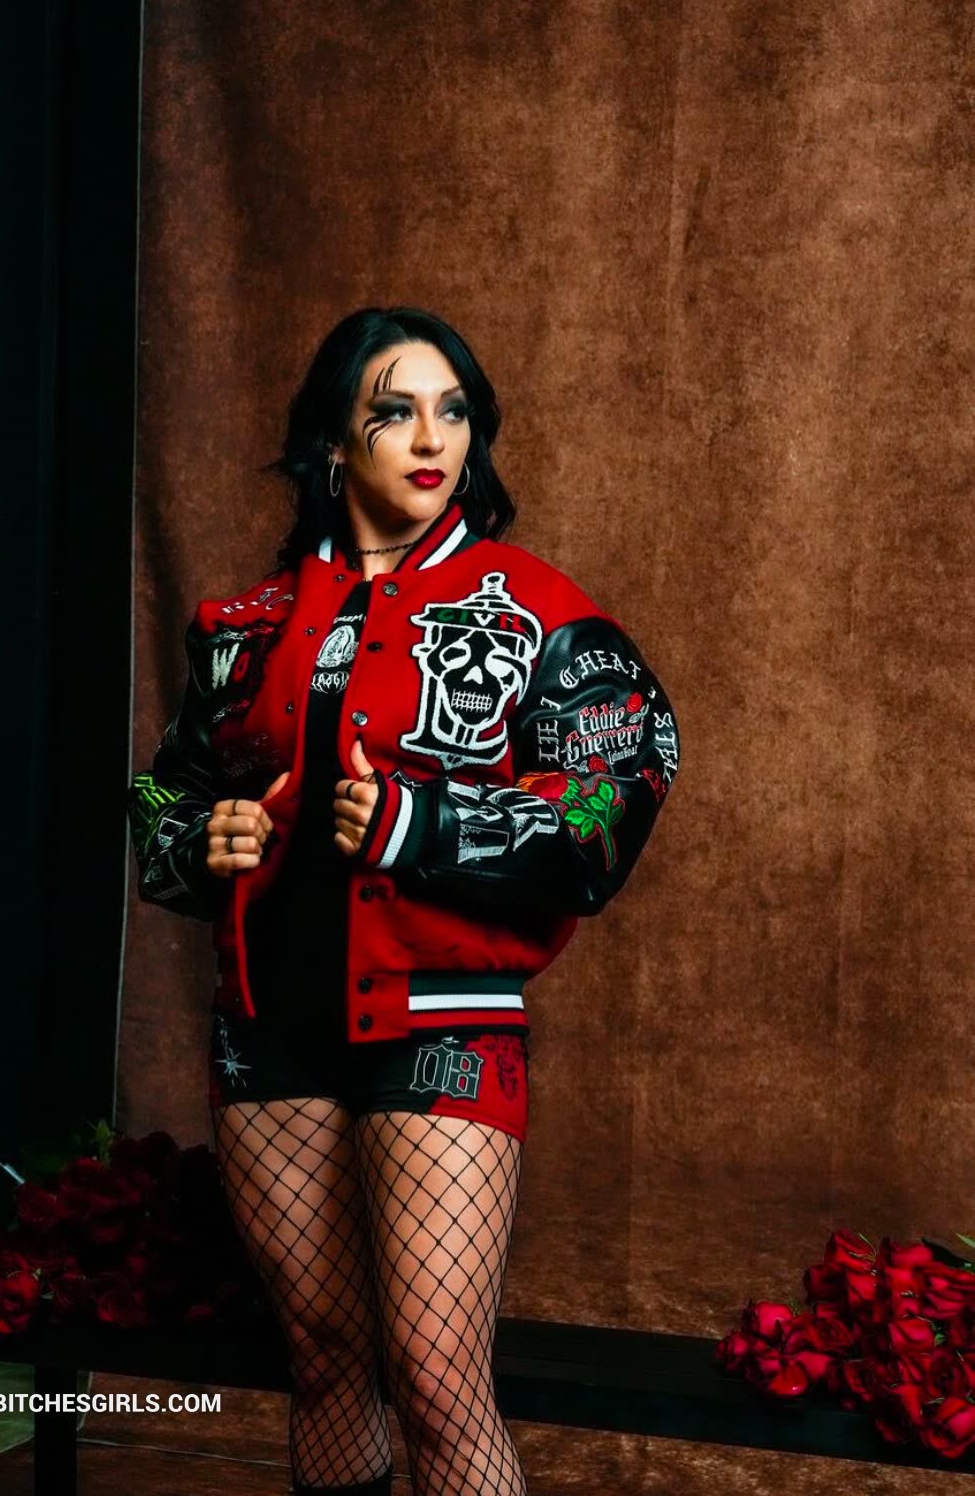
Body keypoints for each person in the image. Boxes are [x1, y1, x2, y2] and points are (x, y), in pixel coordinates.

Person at [127, 306, 681, 1495]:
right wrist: (202, 839)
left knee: (435, 1380)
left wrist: (421, 823)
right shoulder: (243, 628)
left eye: (453, 411)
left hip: (440, 1024)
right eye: (395, 411)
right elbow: (163, 791)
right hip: (269, 1028)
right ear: (334, 441)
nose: (432, 438)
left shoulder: (535, 610)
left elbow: (618, 792)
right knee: (325, 1362)